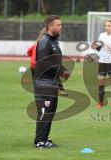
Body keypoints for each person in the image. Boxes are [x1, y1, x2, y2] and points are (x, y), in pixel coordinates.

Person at [33, 15, 71, 149]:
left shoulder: (54, 42)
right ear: (50, 26)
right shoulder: (44, 41)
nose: (61, 27)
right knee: (44, 111)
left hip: (52, 83)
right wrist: (62, 72)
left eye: (61, 25)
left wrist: (63, 73)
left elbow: (54, 63)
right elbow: (44, 63)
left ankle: (44, 139)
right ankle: (39, 141)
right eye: (58, 25)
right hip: (43, 84)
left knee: (50, 112)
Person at [27, 28, 68, 96]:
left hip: (33, 65)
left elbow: (28, 52)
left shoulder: (37, 43)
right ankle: (60, 89)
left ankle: (39, 94)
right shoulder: (48, 43)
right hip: (42, 65)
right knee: (54, 74)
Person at [92, 20, 111, 109]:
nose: (107, 27)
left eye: (109, 25)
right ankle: (100, 103)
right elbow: (99, 48)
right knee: (101, 82)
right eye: (105, 26)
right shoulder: (102, 35)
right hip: (102, 62)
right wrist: (96, 47)